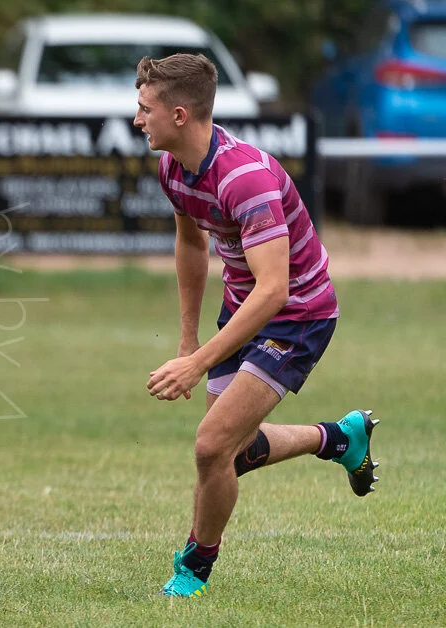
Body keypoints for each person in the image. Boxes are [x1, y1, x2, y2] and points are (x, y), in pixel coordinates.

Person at [136, 53, 380, 598]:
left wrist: (196, 364)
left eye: (144, 108)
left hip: (297, 316)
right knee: (232, 452)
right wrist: (187, 337)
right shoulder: (173, 167)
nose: (137, 119)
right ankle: (339, 438)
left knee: (209, 447)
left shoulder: (245, 178)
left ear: (179, 114)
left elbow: (276, 290)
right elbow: (191, 242)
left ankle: (193, 571)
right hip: (244, 308)